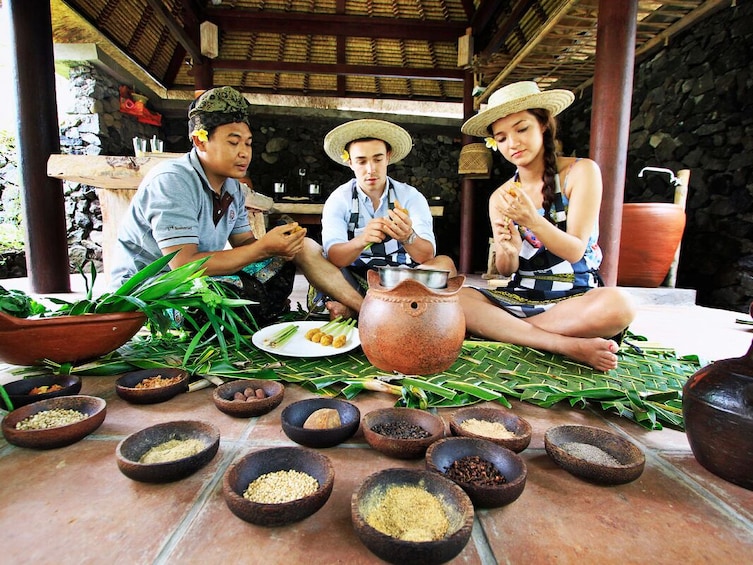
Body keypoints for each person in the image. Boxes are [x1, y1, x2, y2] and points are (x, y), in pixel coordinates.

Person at [110, 86, 363, 326]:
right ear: (200, 141)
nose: (244, 152)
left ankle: (364, 309)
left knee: (299, 250)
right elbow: (184, 266)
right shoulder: (172, 180)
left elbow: (244, 244)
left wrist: (280, 246)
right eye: (233, 142)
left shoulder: (232, 187)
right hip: (153, 296)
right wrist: (263, 247)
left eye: (248, 143)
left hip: (197, 281)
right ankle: (258, 312)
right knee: (225, 296)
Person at [459, 81, 635, 371]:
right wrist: (508, 249)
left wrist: (531, 220)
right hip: (521, 297)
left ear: (543, 124)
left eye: (522, 128)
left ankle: (507, 333)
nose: (512, 143)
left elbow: (576, 250)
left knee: (620, 305)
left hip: (575, 299)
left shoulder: (581, 172)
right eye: (501, 138)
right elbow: (506, 270)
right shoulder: (500, 196)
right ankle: (565, 344)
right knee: (458, 298)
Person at [319, 119, 456, 316]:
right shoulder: (340, 198)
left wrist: (408, 236)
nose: (371, 169)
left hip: (402, 280)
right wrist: (362, 240)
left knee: (444, 264)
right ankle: (375, 310)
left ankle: (360, 312)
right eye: (361, 161)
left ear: (388, 157)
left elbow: (427, 256)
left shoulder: (410, 196)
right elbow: (335, 257)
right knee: (309, 251)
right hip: (354, 279)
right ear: (349, 162)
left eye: (377, 159)